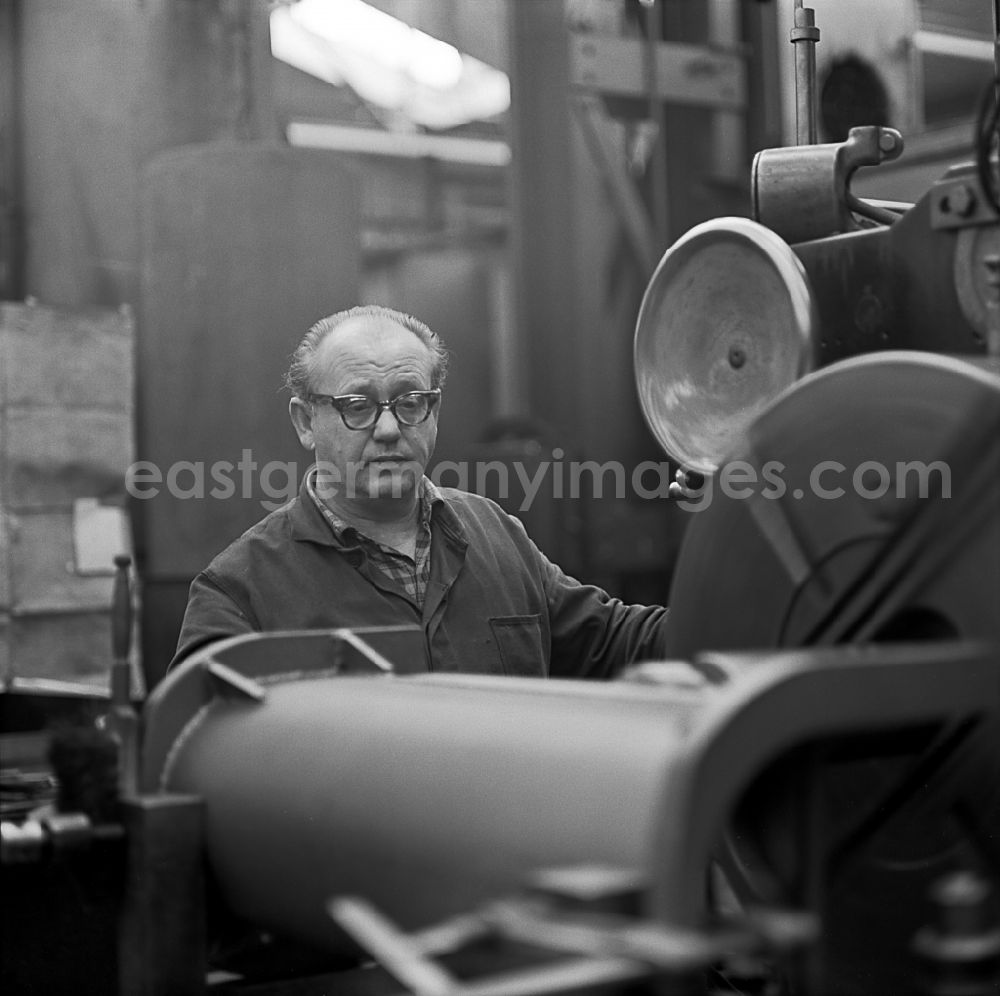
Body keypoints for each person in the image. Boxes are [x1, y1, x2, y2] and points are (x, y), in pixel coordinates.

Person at [171, 305, 670, 677]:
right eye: (357, 405)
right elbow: (196, 742)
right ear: (305, 422)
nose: (388, 429)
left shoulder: (496, 537)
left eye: (410, 402)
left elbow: (616, 641)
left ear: (434, 411)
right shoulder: (240, 589)